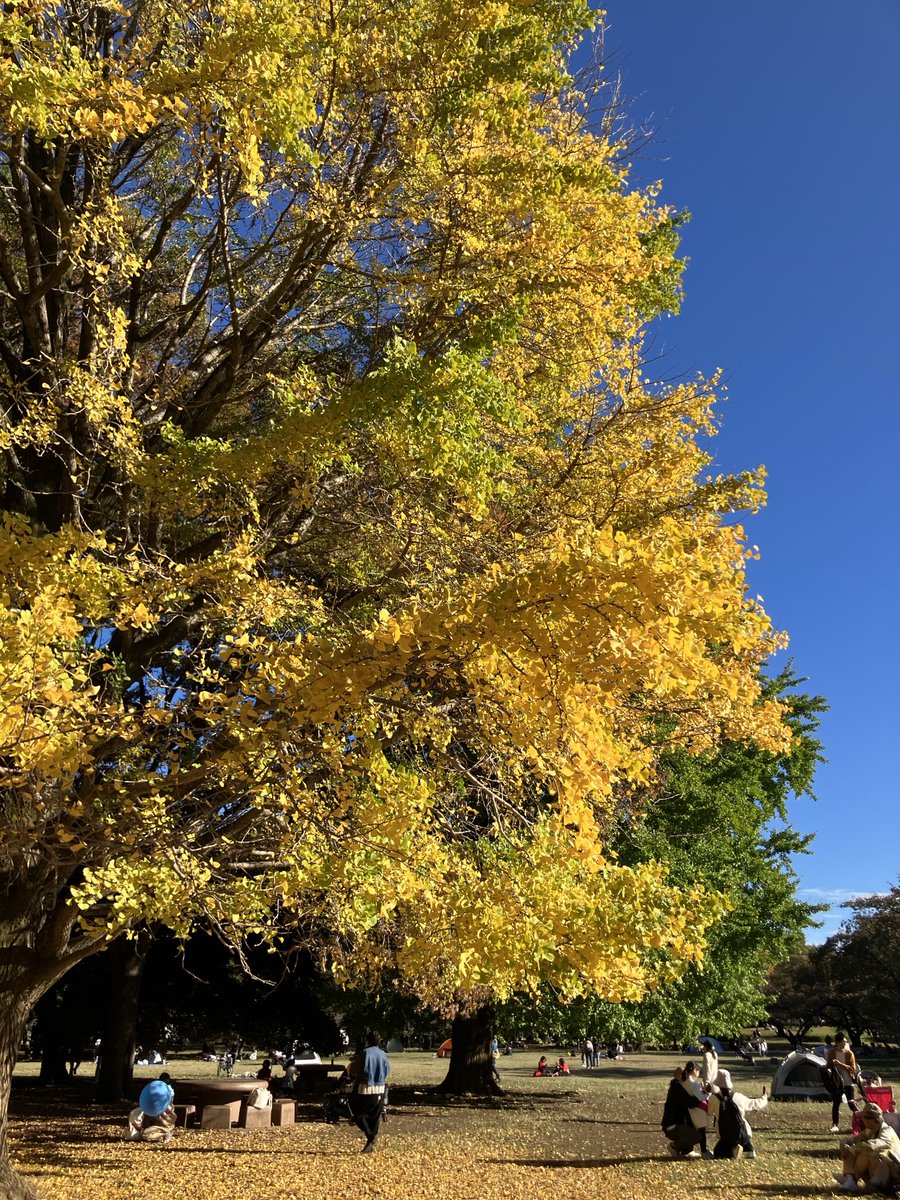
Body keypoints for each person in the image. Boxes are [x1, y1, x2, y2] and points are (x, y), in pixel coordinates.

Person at [833, 1101, 900, 1193]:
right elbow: (854, 1139)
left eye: (863, 1118)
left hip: (892, 1175)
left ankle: (853, 1179)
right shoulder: (870, 1131)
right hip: (879, 1171)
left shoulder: (887, 1130)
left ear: (872, 1120)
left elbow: (878, 1143)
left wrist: (855, 1148)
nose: (862, 1121)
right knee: (851, 1150)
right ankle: (850, 1178)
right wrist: (844, 1144)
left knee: (865, 1154)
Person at [348, 1031, 390, 1153]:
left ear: (368, 1040)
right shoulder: (383, 1054)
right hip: (380, 1088)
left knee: (359, 1115)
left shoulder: (365, 1053)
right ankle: (371, 1140)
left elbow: (355, 1070)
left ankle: (371, 1137)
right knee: (374, 1116)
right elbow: (387, 1070)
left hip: (365, 1088)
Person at [661, 1064, 712, 1158]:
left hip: (674, 1124)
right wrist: (704, 1096)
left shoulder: (677, 1086)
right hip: (673, 1125)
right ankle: (674, 1146)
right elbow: (691, 1103)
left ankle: (686, 1150)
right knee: (697, 1136)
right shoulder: (678, 1088)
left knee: (691, 1128)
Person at [709, 1085, 768, 1159]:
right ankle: (750, 1150)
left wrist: (707, 1095)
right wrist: (764, 1098)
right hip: (741, 1133)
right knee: (744, 1138)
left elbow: (708, 1112)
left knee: (718, 1153)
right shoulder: (738, 1097)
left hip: (724, 1134)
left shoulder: (713, 1098)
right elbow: (753, 1104)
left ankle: (733, 1149)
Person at [827, 1033, 859, 1132]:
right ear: (837, 1042)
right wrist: (823, 1068)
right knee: (836, 1104)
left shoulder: (849, 1053)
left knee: (851, 1104)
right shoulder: (832, 1053)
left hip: (848, 1082)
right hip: (837, 1083)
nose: (845, 1043)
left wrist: (840, 1064)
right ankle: (835, 1125)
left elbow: (852, 1068)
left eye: (845, 1041)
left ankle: (861, 1122)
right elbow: (829, 1065)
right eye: (843, 1042)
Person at [127, 1079, 176, 1144]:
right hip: (158, 1123)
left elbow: (167, 1120)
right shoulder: (154, 1103)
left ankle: (165, 1133)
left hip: (164, 1126)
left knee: (146, 1135)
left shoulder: (166, 1108)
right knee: (143, 1133)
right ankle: (161, 1133)